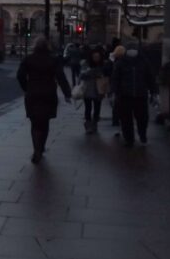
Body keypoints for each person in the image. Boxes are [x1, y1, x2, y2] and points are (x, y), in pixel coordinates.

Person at [17, 36, 72, 164]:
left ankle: (36, 149)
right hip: (49, 93)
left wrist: (26, 87)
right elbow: (60, 77)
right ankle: (41, 148)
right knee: (45, 122)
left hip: (33, 93)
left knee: (35, 123)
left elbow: (20, 75)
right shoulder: (53, 60)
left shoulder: (28, 59)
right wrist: (67, 93)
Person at [110, 44, 157, 147]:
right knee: (126, 119)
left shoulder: (143, 61)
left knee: (142, 118)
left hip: (140, 94)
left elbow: (150, 77)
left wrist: (154, 91)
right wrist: (114, 92)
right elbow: (115, 79)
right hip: (125, 95)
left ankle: (142, 134)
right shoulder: (122, 63)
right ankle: (129, 139)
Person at [79, 46, 106, 133]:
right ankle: (88, 124)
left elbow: (106, 76)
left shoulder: (103, 65)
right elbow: (81, 75)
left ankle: (95, 123)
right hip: (88, 89)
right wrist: (90, 72)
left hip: (99, 89)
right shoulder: (86, 64)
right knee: (88, 108)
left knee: (97, 108)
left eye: (98, 57)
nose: (96, 59)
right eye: (94, 57)